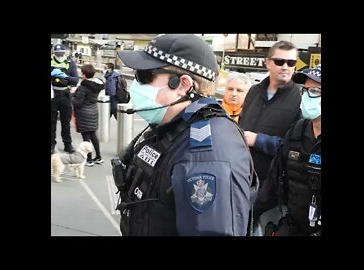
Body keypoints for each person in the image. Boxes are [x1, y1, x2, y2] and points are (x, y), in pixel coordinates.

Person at [113, 34, 255, 236]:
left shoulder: (208, 153)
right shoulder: (172, 127)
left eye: (144, 76)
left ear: (182, 84)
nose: (136, 84)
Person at [254, 65, 322, 236]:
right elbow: (273, 182)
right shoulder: (296, 132)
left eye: (314, 91)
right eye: (304, 90)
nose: (306, 97)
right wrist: (252, 214)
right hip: (292, 226)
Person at [239, 41, 302, 187]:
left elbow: (295, 150)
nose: (285, 67)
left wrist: (258, 140)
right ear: (268, 63)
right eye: (280, 61)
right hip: (241, 174)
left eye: (291, 62)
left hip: (272, 184)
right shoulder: (254, 91)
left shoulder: (300, 100)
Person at [71, 64, 105, 167]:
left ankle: (89, 159)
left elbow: (78, 102)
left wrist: (72, 96)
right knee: (93, 135)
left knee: (86, 137)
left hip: (83, 113)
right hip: (93, 111)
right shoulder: (97, 85)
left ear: (84, 74)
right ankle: (98, 157)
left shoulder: (83, 87)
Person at [51, 44, 79, 154]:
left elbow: (75, 80)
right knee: (51, 122)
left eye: (61, 54)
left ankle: (68, 144)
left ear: (65, 53)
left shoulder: (70, 63)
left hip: (65, 94)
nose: (59, 56)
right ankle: (52, 145)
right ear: (53, 53)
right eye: (57, 54)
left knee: (66, 122)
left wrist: (64, 76)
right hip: (52, 94)